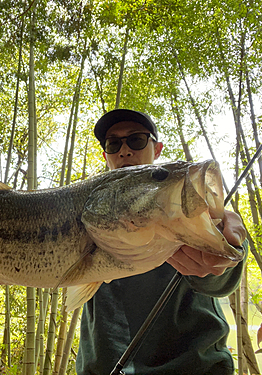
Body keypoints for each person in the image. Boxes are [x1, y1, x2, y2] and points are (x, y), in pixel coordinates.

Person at [75, 109, 247, 375]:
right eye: (113, 143)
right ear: (105, 154)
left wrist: (226, 251)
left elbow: (220, 276)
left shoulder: (185, 206)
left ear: (157, 148)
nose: (124, 151)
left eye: (136, 140)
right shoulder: (84, 203)